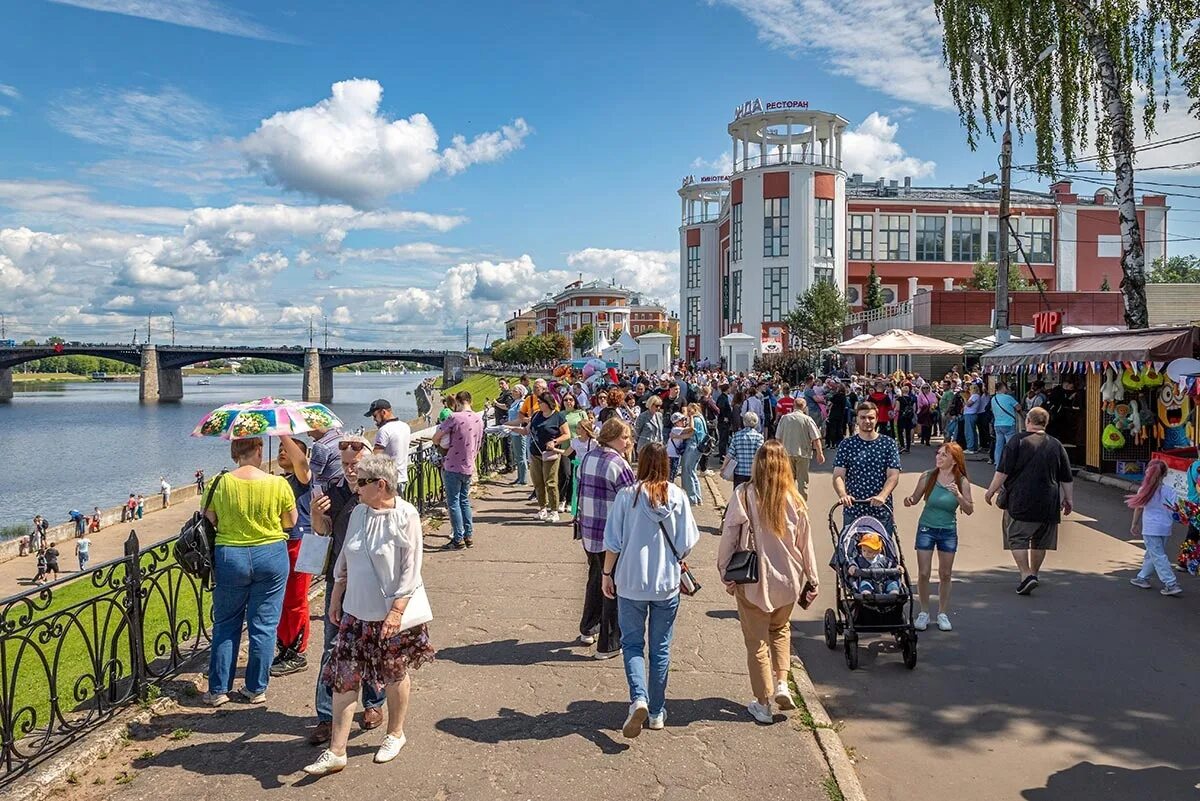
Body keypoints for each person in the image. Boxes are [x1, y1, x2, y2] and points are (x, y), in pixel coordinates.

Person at [304, 456, 435, 776]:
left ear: (381, 485)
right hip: (355, 611)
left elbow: (411, 568)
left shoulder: (406, 514)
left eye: (362, 481)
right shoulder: (360, 512)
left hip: (390, 614)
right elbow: (346, 555)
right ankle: (336, 751)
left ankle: (395, 733)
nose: (356, 486)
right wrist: (337, 595)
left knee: (394, 673)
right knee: (344, 677)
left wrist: (397, 612)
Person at [602, 443, 700, 738]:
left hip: (631, 580)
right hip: (666, 583)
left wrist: (606, 574)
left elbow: (613, 541)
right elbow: (687, 542)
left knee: (632, 645)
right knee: (660, 648)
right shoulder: (678, 496)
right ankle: (657, 711)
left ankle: (639, 699)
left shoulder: (627, 496)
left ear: (641, 463)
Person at [719, 440, 819, 724]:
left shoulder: (744, 494)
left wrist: (725, 571)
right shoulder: (795, 498)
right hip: (789, 578)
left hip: (753, 579)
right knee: (780, 629)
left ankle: (763, 703)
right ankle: (783, 683)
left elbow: (729, 535)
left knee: (757, 642)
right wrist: (812, 578)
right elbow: (806, 543)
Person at [202, 437, 296, 707]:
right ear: (258, 450)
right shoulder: (278, 483)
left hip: (231, 556)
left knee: (226, 623)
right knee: (264, 624)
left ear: (234, 452)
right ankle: (256, 688)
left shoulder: (219, 483)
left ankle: (218, 690)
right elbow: (290, 522)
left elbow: (209, 519)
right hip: (271, 555)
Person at [308, 434, 385, 746]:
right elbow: (323, 531)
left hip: (372, 579)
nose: (350, 469)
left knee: (372, 643)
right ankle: (326, 716)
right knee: (332, 646)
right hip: (338, 579)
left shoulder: (377, 489)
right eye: (345, 464)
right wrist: (315, 514)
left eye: (355, 463)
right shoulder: (334, 490)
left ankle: (374, 703)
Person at [984, 407, 1074, 595]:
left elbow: (1003, 471)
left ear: (1028, 421)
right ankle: (1034, 573)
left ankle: (1025, 574)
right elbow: (1066, 477)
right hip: (1049, 501)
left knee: (1017, 538)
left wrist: (990, 491)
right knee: (1040, 541)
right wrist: (1069, 499)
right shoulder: (1056, 444)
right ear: (1046, 423)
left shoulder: (1017, 441)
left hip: (1021, 499)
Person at [576, 417, 636, 659]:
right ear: (611, 437)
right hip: (611, 534)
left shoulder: (589, 457)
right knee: (611, 585)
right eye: (624, 437)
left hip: (589, 529)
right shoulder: (619, 464)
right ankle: (608, 643)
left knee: (595, 579)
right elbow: (632, 499)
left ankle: (588, 627)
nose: (628, 442)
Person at [902, 442, 973, 631]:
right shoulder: (928, 476)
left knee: (945, 574)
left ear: (954, 461)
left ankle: (942, 613)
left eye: (944, 455)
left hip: (947, 530)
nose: (938, 457)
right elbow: (914, 498)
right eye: (938, 453)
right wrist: (909, 500)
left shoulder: (961, 481)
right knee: (924, 573)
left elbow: (969, 509)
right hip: (927, 527)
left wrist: (958, 495)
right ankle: (924, 612)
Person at [271, 435, 313, 678]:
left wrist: (282, 433)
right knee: (283, 599)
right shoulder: (280, 480)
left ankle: (297, 652)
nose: (282, 451)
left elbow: (301, 463)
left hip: (301, 542)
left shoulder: (303, 478)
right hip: (283, 541)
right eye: (279, 448)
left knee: (296, 599)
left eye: (287, 449)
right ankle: (284, 648)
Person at [833, 402, 902, 534]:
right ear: (857, 419)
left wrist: (882, 496)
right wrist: (843, 495)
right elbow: (838, 475)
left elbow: (893, 475)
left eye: (871, 418)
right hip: (854, 508)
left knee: (882, 545)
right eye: (863, 417)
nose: (867, 421)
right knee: (850, 546)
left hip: (881, 509)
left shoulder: (888, 444)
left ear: (877, 419)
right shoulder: (847, 444)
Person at [433, 390, 485, 550]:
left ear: (458, 402)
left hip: (452, 465)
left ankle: (458, 538)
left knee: (453, 502)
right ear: (470, 401)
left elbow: (436, 437)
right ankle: (468, 536)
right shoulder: (478, 419)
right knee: (464, 501)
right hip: (469, 465)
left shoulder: (454, 417)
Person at [1126, 459, 1183, 596]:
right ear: (1165, 474)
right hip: (1165, 527)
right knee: (1153, 553)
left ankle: (1171, 583)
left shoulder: (1144, 490)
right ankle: (1142, 577)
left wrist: (1134, 524)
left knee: (1157, 555)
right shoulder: (1171, 490)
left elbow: (1139, 508)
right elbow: (1176, 509)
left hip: (1151, 528)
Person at [525, 391, 570, 523]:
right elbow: (527, 430)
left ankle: (554, 510)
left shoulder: (558, 417)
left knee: (550, 482)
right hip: (535, 453)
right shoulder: (536, 415)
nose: (538, 404)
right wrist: (509, 428)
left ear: (548, 403)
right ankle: (542, 508)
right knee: (537, 482)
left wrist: (555, 441)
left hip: (550, 454)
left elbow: (566, 434)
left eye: (540, 402)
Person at [774, 397, 825, 501]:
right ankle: (802, 504)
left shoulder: (784, 418)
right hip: (803, 454)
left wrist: (778, 453)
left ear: (793, 406)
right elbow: (816, 438)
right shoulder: (807, 419)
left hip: (787, 453)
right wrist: (820, 453)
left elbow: (778, 437)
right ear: (804, 407)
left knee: (788, 481)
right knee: (803, 482)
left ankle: (788, 503)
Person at [368, 398, 412, 491]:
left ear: (383, 412)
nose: (374, 419)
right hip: (402, 477)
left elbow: (375, 457)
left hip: (388, 479)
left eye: (375, 416)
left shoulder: (384, 430)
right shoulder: (405, 426)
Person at [725, 411, 765, 489]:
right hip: (754, 472)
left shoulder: (737, 435)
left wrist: (724, 467)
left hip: (739, 472)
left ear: (744, 422)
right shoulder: (759, 437)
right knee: (753, 495)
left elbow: (730, 454)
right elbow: (760, 455)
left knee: (738, 494)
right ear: (756, 423)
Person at [990, 382, 1021, 466]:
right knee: (1010, 446)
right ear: (1003, 387)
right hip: (1009, 423)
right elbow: (1018, 407)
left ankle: (997, 464)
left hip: (997, 424)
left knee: (999, 445)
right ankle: (1009, 465)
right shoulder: (1008, 398)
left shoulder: (993, 399)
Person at [506, 384, 530, 485]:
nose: (512, 392)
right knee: (517, 455)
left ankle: (523, 479)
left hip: (519, 432)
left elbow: (521, 419)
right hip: (513, 431)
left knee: (521, 456)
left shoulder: (521, 404)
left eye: (515, 391)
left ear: (520, 393)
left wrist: (508, 424)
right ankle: (519, 477)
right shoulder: (515, 403)